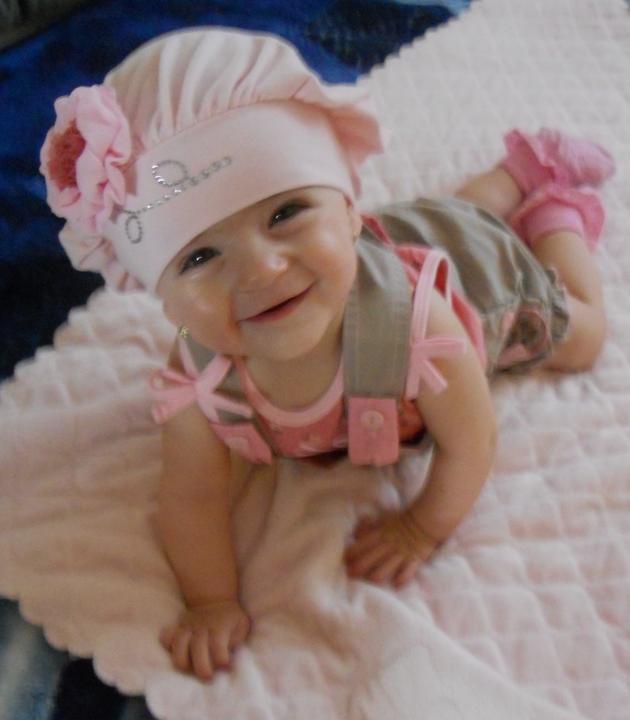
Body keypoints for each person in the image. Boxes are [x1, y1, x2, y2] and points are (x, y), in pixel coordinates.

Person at [39, 27, 614, 682]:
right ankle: (512, 176)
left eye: (286, 212)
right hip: (392, 238)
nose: (261, 269)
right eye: (199, 257)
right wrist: (210, 601)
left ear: (347, 209)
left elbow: (472, 438)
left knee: (581, 333)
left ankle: (554, 210)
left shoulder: (418, 324)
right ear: (163, 301)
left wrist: (421, 528)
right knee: (452, 212)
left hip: (479, 283)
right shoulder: (199, 383)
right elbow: (189, 498)